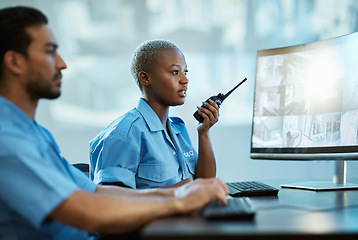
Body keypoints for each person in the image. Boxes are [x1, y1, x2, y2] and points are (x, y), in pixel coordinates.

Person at [0, 6, 229, 239]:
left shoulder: (35, 133)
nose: (62, 63)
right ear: (15, 62)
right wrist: (178, 202)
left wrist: (183, 193)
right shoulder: (7, 140)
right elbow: (88, 211)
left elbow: (97, 193)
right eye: (50, 52)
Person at [89, 39, 220, 189]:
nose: (185, 80)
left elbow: (203, 185)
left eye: (185, 72)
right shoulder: (124, 134)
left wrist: (203, 133)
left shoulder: (178, 130)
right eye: (175, 72)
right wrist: (176, 193)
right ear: (145, 78)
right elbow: (112, 201)